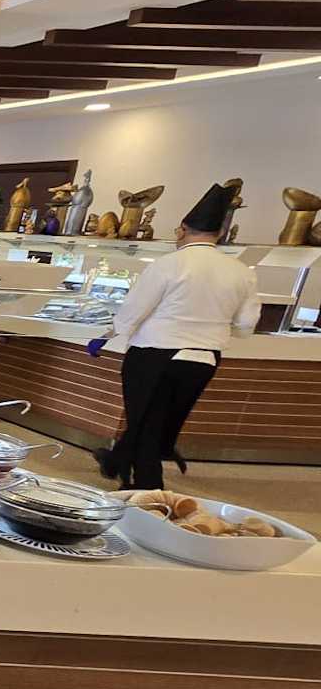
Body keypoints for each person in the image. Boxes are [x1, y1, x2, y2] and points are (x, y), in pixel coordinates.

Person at [92, 183, 260, 490]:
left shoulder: (169, 264)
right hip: (205, 358)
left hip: (155, 354)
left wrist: (109, 335)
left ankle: (148, 487)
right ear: (220, 233)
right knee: (163, 419)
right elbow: (247, 324)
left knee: (147, 422)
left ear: (182, 230)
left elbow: (134, 310)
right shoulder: (241, 271)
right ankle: (115, 461)